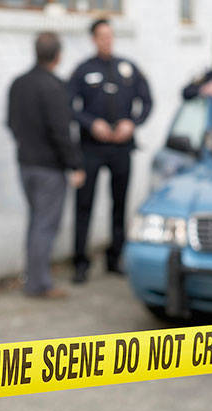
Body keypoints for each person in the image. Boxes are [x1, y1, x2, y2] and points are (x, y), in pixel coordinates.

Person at [68, 18, 153, 284]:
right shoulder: (83, 70)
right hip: (91, 147)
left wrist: (133, 123)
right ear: (94, 39)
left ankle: (115, 257)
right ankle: (80, 262)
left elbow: (147, 101)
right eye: (102, 36)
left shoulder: (127, 68)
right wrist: (91, 124)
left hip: (121, 147)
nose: (107, 40)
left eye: (110, 36)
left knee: (120, 203)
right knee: (84, 204)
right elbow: (69, 106)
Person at [7, 32, 86, 298]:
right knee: (45, 226)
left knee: (35, 223)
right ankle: (38, 284)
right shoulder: (54, 87)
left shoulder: (18, 83)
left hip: (25, 164)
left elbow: (11, 123)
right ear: (58, 56)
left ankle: (33, 277)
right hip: (49, 169)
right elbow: (61, 131)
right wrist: (75, 164)